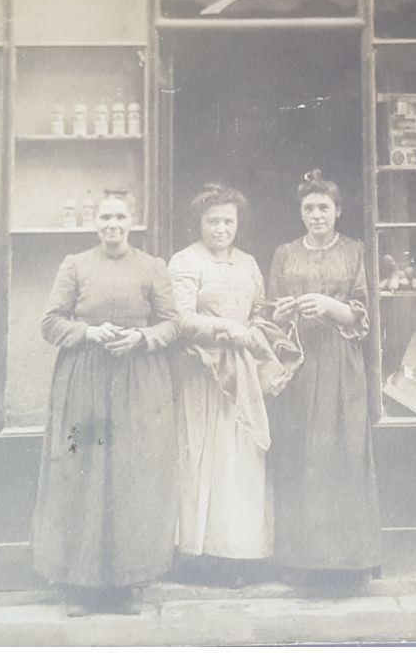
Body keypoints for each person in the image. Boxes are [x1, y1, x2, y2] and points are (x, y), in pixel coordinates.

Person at [32, 194, 179, 616]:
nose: (112, 224)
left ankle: (125, 586)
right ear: (95, 223)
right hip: (85, 386)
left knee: (131, 473)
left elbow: (173, 323)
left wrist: (143, 338)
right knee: (83, 468)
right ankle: (80, 586)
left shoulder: (153, 267)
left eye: (120, 216)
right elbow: (50, 322)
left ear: (133, 221)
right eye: (105, 217)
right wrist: (88, 332)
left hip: (138, 386)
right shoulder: (75, 265)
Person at [267, 169, 381, 591]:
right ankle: (301, 562)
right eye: (309, 208)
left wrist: (332, 306)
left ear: (338, 211)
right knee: (300, 454)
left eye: (324, 208)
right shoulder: (284, 253)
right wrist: (280, 312)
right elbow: (271, 311)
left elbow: (364, 314)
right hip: (298, 363)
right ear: (301, 213)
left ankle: (349, 563)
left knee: (342, 452)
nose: (317, 215)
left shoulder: (355, 251)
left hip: (339, 361)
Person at [167, 184, 283, 583]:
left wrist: (253, 329)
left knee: (241, 460)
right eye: (212, 221)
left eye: (228, 221)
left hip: (242, 373)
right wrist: (227, 329)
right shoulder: (185, 262)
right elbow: (179, 318)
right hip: (202, 371)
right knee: (203, 458)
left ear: (238, 224)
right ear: (199, 223)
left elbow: (259, 309)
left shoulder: (248, 263)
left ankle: (240, 554)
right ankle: (199, 555)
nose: (220, 228)